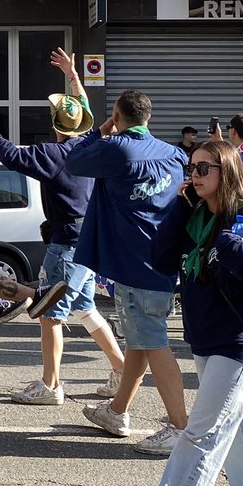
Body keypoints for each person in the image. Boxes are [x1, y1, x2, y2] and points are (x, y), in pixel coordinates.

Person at [0, 47, 124, 406]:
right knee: (87, 310)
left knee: (49, 314)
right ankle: (123, 371)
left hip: (66, 244)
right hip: (89, 242)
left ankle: (51, 385)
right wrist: (73, 76)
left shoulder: (52, 154)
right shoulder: (92, 146)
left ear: (54, 125)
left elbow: (12, 156)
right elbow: (86, 112)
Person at [151, 139, 243, 486]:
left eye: (203, 169)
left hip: (240, 338)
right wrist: (179, 208)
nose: (194, 176)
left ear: (225, 171)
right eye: (191, 169)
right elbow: (162, 260)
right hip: (206, 336)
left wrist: (233, 246)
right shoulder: (194, 216)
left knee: (201, 434)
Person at [68, 89, 190, 456]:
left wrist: (100, 131)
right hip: (164, 261)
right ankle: (117, 412)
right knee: (139, 340)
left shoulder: (117, 148)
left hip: (135, 265)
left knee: (153, 342)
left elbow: (73, 161)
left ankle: (180, 428)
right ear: (148, 118)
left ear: (118, 117)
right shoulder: (174, 154)